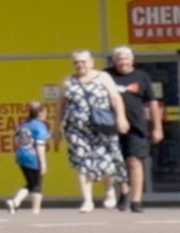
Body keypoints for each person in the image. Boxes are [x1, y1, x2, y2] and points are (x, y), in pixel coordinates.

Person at [60, 48, 128, 211]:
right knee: (82, 162)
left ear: (91, 62)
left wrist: (121, 117)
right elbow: (60, 106)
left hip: (102, 125)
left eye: (83, 62)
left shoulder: (103, 77)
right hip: (76, 129)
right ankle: (87, 200)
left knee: (105, 159)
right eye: (76, 62)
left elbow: (115, 97)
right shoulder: (68, 81)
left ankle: (109, 191)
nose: (80, 65)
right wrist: (56, 128)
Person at [108, 45, 165, 213]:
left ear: (132, 60)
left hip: (136, 126)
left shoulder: (141, 76)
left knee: (134, 161)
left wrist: (157, 127)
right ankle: (124, 191)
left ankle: (136, 200)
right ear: (114, 61)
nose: (122, 62)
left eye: (126, 59)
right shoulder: (107, 76)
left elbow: (153, 102)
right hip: (112, 126)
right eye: (119, 59)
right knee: (116, 163)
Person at [6, 100, 51, 215]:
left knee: (30, 183)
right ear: (40, 113)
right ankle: (36, 210)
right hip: (33, 157)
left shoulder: (23, 125)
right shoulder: (40, 126)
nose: (46, 115)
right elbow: (40, 146)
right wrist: (43, 163)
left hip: (21, 155)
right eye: (45, 112)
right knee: (36, 184)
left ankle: (15, 201)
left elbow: (16, 140)